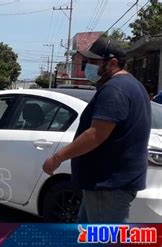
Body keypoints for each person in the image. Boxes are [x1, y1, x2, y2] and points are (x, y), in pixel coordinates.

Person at [42, 37, 151, 223]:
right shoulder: (132, 86)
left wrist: (57, 157)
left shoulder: (115, 89)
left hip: (108, 186)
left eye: (93, 62)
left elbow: (96, 134)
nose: (87, 67)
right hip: (104, 185)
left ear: (113, 62)